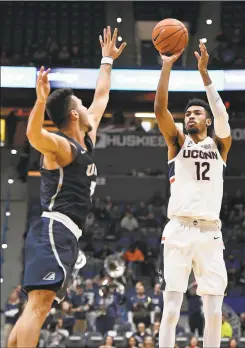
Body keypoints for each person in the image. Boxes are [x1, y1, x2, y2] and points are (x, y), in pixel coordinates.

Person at [7, 26, 126, 348]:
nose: (90, 108)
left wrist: (107, 60)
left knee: (38, 306)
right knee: (39, 305)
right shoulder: (61, 147)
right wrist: (41, 101)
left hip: (63, 235)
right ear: (74, 114)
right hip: (53, 229)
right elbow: (34, 137)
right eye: (82, 105)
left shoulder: (84, 140)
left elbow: (102, 96)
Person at [155, 40, 232, 348]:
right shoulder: (176, 143)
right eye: (187, 113)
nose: (190, 116)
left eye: (197, 113)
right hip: (178, 229)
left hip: (211, 232)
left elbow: (223, 117)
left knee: (214, 313)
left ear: (208, 120)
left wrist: (205, 74)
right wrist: (167, 65)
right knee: (171, 309)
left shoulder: (220, 146)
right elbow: (160, 109)